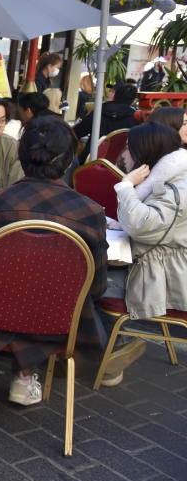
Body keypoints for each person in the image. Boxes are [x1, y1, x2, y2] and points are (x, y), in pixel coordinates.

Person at [0, 116, 108, 404]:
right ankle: (24, 376)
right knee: (50, 295)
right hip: (57, 321)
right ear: (68, 163)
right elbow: (97, 286)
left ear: (21, 156)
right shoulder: (91, 213)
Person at [100, 123, 187, 385]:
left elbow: (141, 226)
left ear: (144, 153)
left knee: (84, 284)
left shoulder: (176, 190)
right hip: (150, 265)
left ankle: (116, 348)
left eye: (128, 149)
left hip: (162, 279)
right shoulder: (167, 179)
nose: (123, 155)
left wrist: (126, 186)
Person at [74, 82, 139, 163]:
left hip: (90, 160)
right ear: (133, 101)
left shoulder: (99, 110)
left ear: (115, 96)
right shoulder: (136, 118)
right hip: (117, 165)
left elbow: (78, 131)